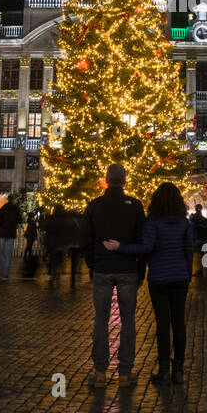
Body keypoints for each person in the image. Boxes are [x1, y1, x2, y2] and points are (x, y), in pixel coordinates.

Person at [104, 182, 195, 386]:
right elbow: (189, 251)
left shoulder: (153, 222)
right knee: (179, 322)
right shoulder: (183, 223)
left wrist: (120, 247)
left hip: (160, 278)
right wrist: (187, 274)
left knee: (163, 324)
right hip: (180, 277)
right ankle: (178, 371)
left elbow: (146, 247)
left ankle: (163, 370)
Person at [82, 164, 146, 388]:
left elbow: (86, 240)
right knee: (128, 321)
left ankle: (100, 371)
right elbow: (142, 241)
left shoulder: (94, 206)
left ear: (106, 180)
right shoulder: (135, 206)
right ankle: (125, 373)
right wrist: (141, 271)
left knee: (101, 319)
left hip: (102, 269)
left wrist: (93, 263)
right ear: (125, 180)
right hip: (128, 269)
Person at [44, 205, 71, 283]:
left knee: (51, 258)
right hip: (60, 242)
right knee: (60, 259)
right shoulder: (64, 219)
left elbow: (45, 227)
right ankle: (61, 275)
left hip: (50, 242)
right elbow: (66, 231)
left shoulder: (50, 218)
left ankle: (50, 275)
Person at [0, 198, 21, 280]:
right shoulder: (16, 209)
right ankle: (5, 274)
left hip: (3, 232)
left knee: (1, 251)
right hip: (11, 233)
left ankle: (2, 269)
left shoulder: (3, 208)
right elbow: (19, 220)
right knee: (8, 253)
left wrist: (0, 226)